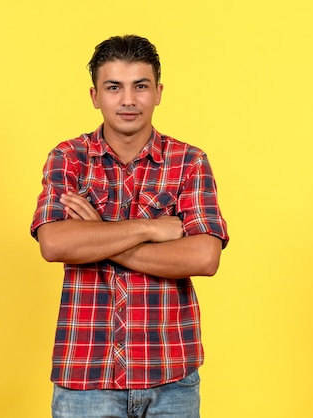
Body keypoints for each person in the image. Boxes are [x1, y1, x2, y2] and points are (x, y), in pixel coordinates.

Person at [31, 34, 229, 418]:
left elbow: (205, 256)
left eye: (140, 86)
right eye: (113, 87)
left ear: (158, 92)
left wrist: (98, 233)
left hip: (171, 376)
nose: (127, 100)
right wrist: (150, 228)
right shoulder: (69, 158)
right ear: (94, 96)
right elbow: (54, 244)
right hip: (86, 376)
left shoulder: (189, 161)